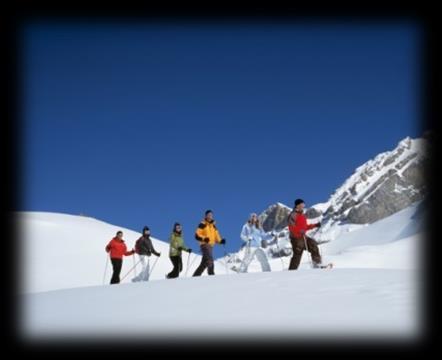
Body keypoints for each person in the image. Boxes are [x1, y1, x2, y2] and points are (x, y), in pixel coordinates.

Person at [287, 199, 322, 270]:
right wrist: (300, 231)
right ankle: (291, 271)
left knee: (313, 245)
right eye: (302, 204)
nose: (303, 206)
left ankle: (317, 265)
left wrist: (315, 225)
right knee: (298, 254)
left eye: (303, 204)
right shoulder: (293, 215)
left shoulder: (303, 215)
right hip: (296, 238)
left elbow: (305, 227)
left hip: (303, 237)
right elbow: (291, 227)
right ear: (298, 205)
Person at [193, 210, 226, 276]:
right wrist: (204, 238)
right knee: (210, 259)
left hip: (211, 246)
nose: (210, 216)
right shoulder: (203, 224)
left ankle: (195, 276)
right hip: (204, 244)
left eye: (211, 215)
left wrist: (220, 241)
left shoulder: (213, 226)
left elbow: (217, 236)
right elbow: (197, 235)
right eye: (208, 215)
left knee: (204, 263)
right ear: (206, 216)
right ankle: (211, 274)